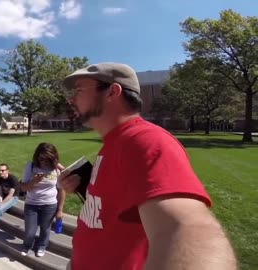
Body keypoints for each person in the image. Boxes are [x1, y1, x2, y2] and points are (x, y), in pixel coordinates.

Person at [59, 62, 236, 269]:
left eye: (79, 90)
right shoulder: (114, 142)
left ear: (112, 92)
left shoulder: (145, 141)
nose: (71, 99)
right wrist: (85, 186)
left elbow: (189, 230)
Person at [19, 143, 66, 257]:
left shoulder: (56, 169)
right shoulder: (31, 166)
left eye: (47, 159)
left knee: (45, 228)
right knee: (30, 231)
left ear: (53, 158)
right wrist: (33, 182)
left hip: (49, 205)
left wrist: (60, 210)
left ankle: (42, 246)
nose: (44, 162)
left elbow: (62, 190)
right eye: (41, 159)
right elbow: (23, 187)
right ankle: (27, 245)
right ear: (37, 156)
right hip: (31, 204)